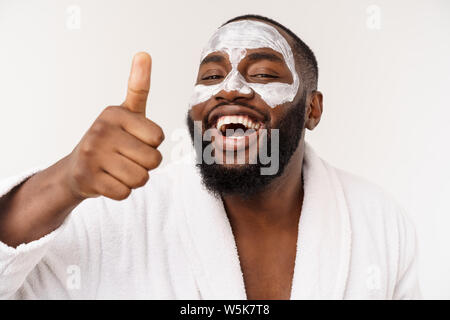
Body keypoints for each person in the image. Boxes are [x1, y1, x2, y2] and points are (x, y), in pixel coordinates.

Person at [0, 14, 420, 299]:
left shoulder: (378, 222)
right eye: (212, 75)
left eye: (262, 74)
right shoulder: (119, 212)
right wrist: (64, 183)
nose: (230, 88)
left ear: (312, 109)